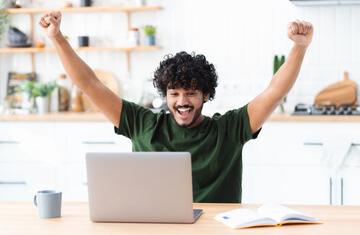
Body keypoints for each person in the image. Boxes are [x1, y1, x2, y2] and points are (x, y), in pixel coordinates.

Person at [39, 11, 313, 203]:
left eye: (191, 93)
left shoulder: (229, 130)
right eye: (175, 93)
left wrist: (299, 47)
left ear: (206, 95)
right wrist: (57, 38)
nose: (182, 101)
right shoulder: (143, 124)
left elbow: (275, 92)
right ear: (165, 95)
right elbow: (91, 85)